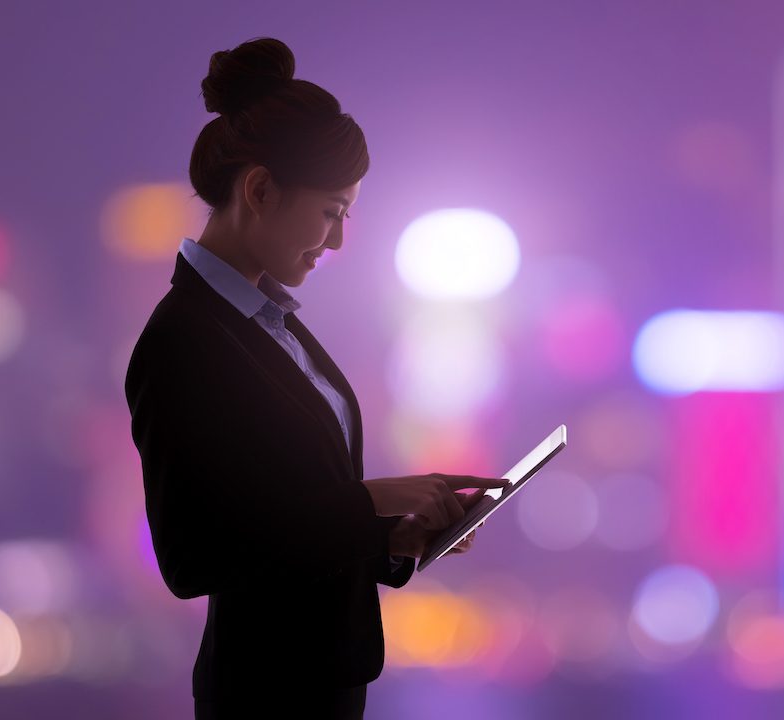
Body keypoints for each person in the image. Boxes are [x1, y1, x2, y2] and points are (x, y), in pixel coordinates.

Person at [124, 36, 509, 719]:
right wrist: (372, 502)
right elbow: (194, 555)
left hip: (324, 685)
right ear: (260, 190)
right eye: (330, 212)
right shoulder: (183, 341)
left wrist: (393, 536)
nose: (334, 241)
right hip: (264, 695)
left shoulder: (270, 326)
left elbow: (289, 517)